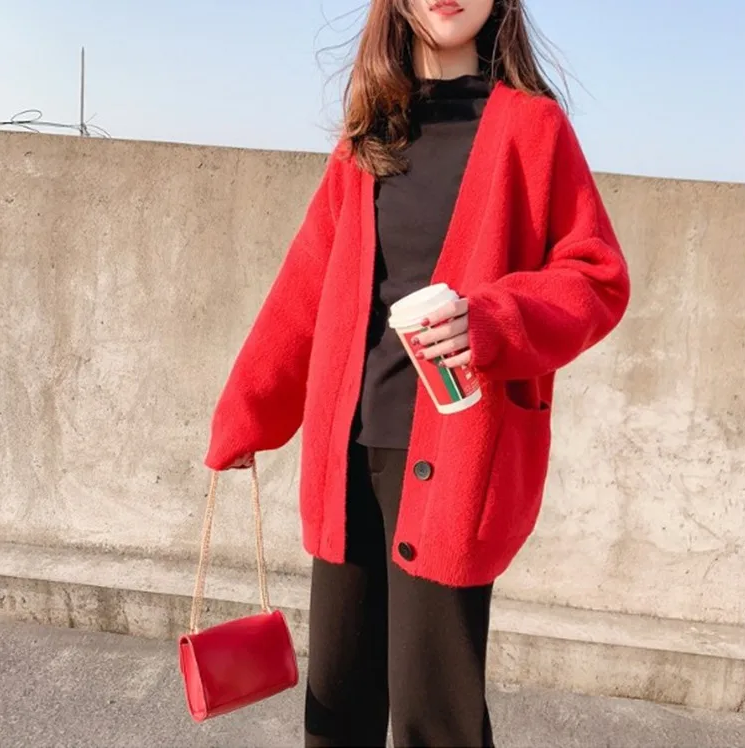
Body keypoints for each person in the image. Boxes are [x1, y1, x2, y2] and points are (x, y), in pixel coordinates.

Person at [204, 0, 631, 745]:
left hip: (457, 463)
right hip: (348, 455)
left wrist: (494, 319)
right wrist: (247, 413)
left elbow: (596, 277)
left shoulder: (532, 129)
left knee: (436, 717)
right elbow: (305, 289)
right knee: (337, 705)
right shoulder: (366, 136)